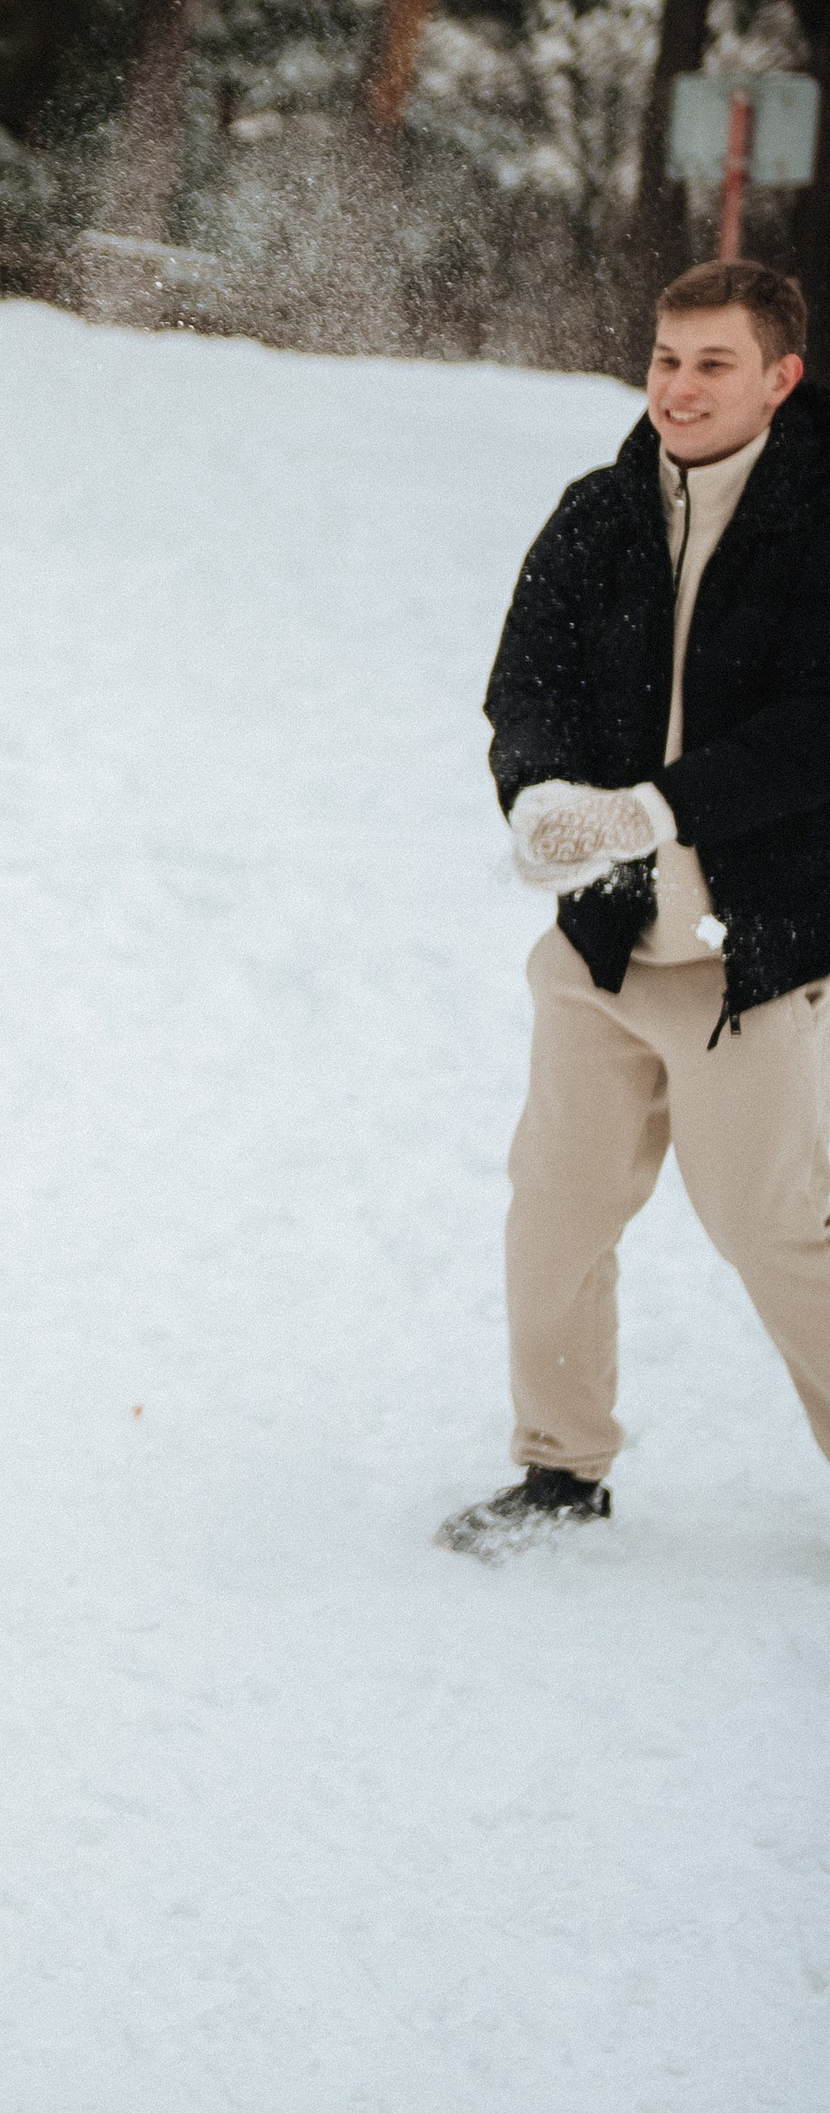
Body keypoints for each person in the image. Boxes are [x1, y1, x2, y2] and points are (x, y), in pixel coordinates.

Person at [443, 256, 830, 1556]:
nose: (679, 386)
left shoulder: (819, 514)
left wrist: (656, 809)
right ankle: (560, 1470)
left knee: (772, 1227)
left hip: (754, 957)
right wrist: (544, 795)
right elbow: (528, 685)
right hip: (603, 943)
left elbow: (816, 728)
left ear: (780, 376)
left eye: (713, 362)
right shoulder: (600, 513)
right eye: (666, 359)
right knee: (554, 1206)